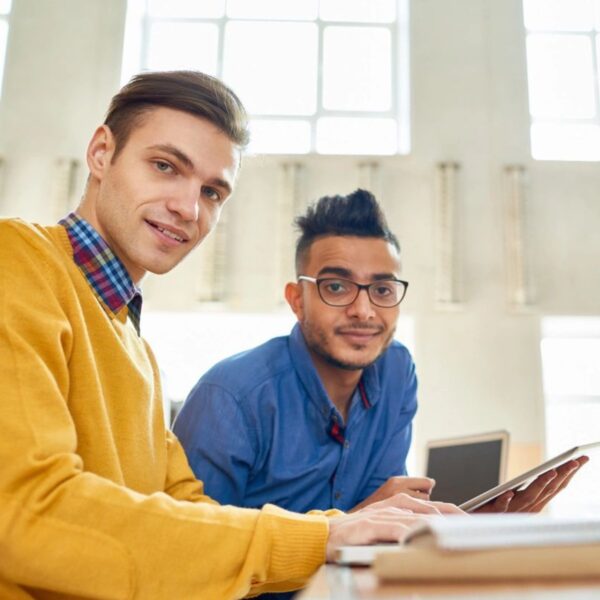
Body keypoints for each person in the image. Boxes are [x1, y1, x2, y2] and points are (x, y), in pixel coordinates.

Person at [0, 72, 461, 600]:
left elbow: (190, 514)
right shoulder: (16, 261)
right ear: (102, 153)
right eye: (165, 166)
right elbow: (26, 513)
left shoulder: (136, 349)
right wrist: (326, 535)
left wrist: (361, 527)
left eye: (212, 191)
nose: (188, 209)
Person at [174, 190, 587, 514]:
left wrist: (469, 530)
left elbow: (384, 519)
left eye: (383, 289)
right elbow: (199, 556)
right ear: (297, 299)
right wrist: (359, 522)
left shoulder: (394, 371)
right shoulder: (229, 397)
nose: (364, 310)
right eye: (336, 286)